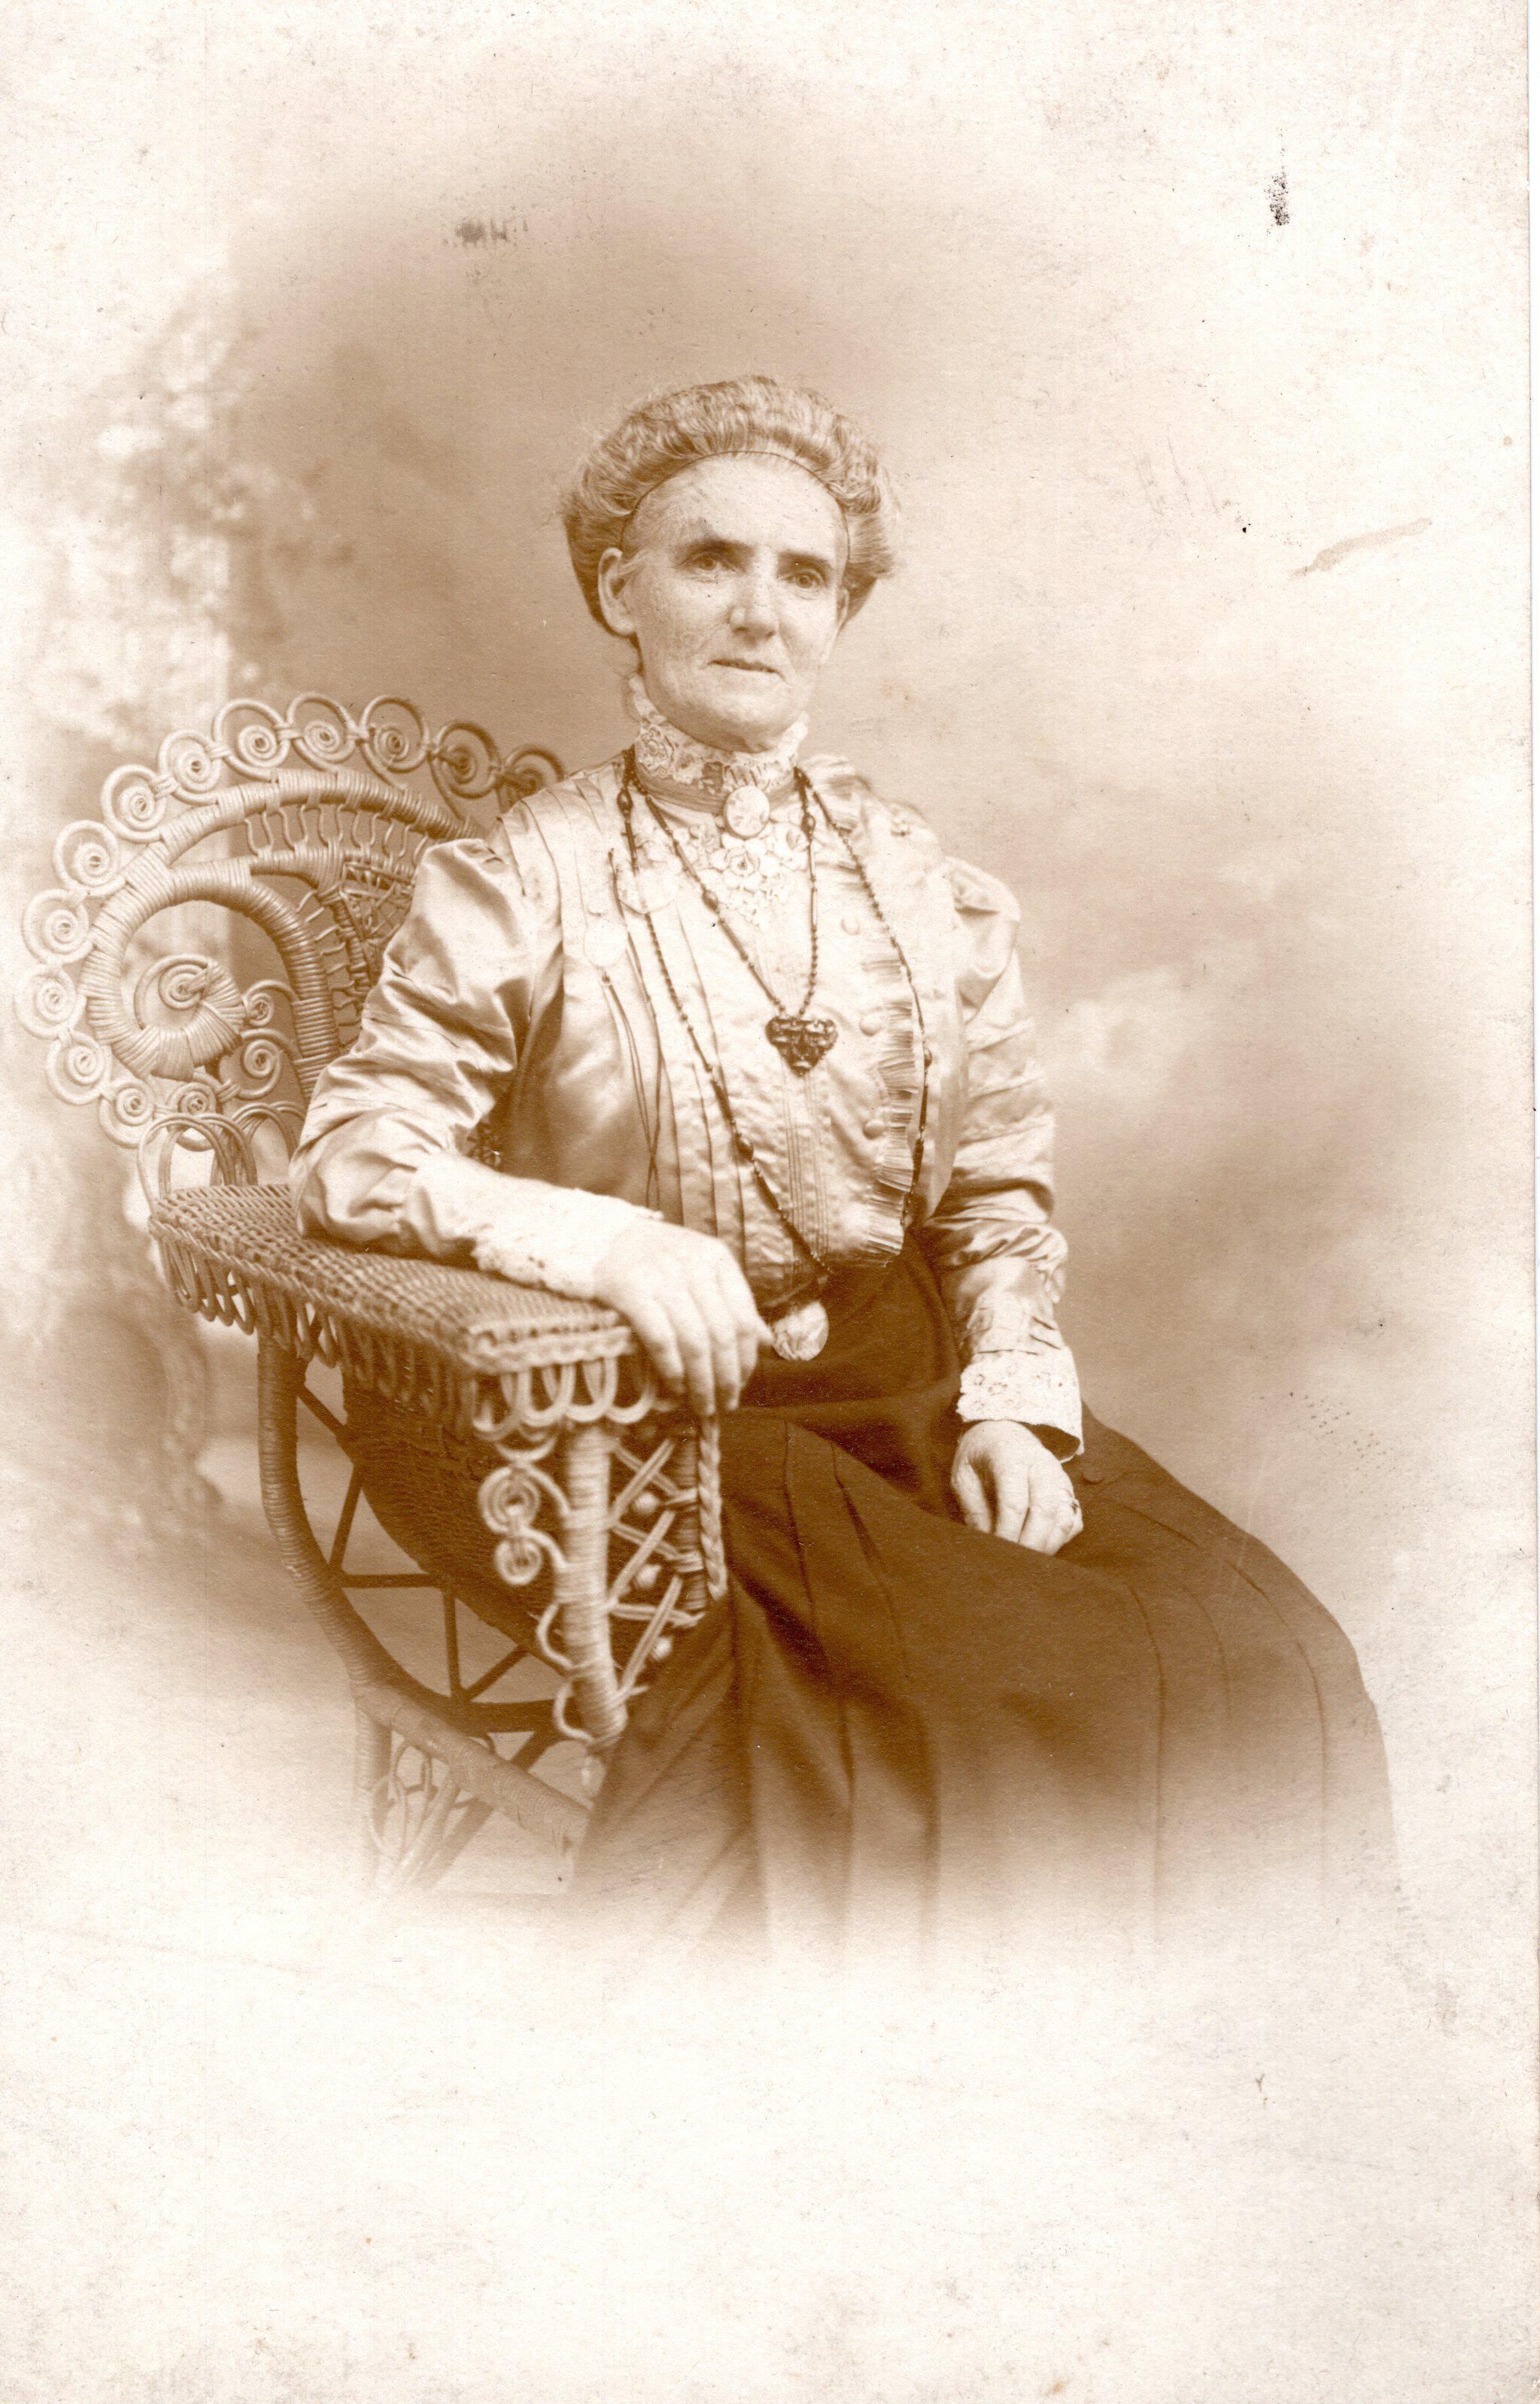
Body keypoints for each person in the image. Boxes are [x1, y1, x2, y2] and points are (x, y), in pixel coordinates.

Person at [291, 373, 1395, 1970]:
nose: (759, 609)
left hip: (900, 1380)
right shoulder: (527, 877)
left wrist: (1013, 1402)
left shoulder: (919, 886)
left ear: (840, 613)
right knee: (991, 1682)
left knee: (1265, 1652)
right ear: (617, 589)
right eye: (709, 559)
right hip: (625, 1405)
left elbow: (995, 1189)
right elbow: (356, 1152)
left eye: (803, 575)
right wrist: (606, 1243)